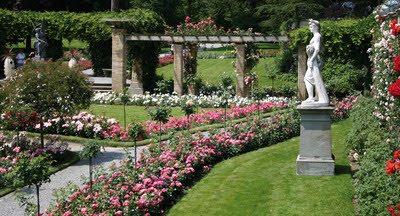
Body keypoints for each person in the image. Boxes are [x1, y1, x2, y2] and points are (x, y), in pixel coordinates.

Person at [303, 19, 329, 106]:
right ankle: (316, 97)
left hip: (315, 60)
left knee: (307, 78)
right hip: (314, 59)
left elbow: (317, 49)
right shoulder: (315, 36)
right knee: (314, 78)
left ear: (316, 27)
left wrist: (311, 59)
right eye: (309, 26)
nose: (310, 28)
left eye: (311, 26)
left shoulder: (317, 35)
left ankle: (311, 98)